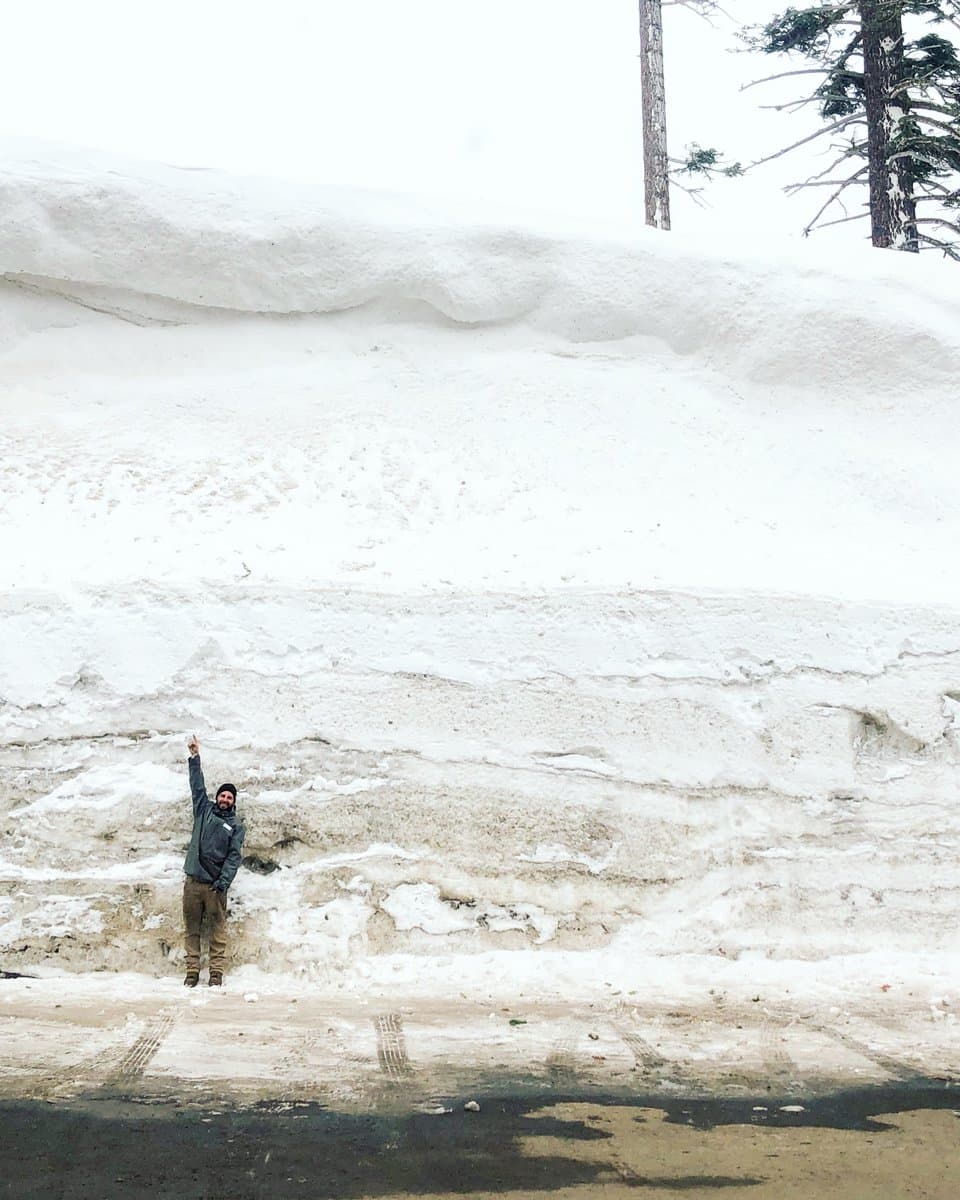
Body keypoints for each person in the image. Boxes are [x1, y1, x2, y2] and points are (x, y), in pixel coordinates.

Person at [182, 735, 245, 987]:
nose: (225, 800)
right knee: (192, 929)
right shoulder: (204, 809)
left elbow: (234, 857)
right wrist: (194, 757)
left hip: (215, 886)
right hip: (193, 882)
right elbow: (197, 786)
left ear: (233, 802)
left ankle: (216, 972)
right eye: (223, 796)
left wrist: (224, 882)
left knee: (217, 932)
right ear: (218, 797)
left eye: (230, 798)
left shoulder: (236, 826)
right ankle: (192, 971)